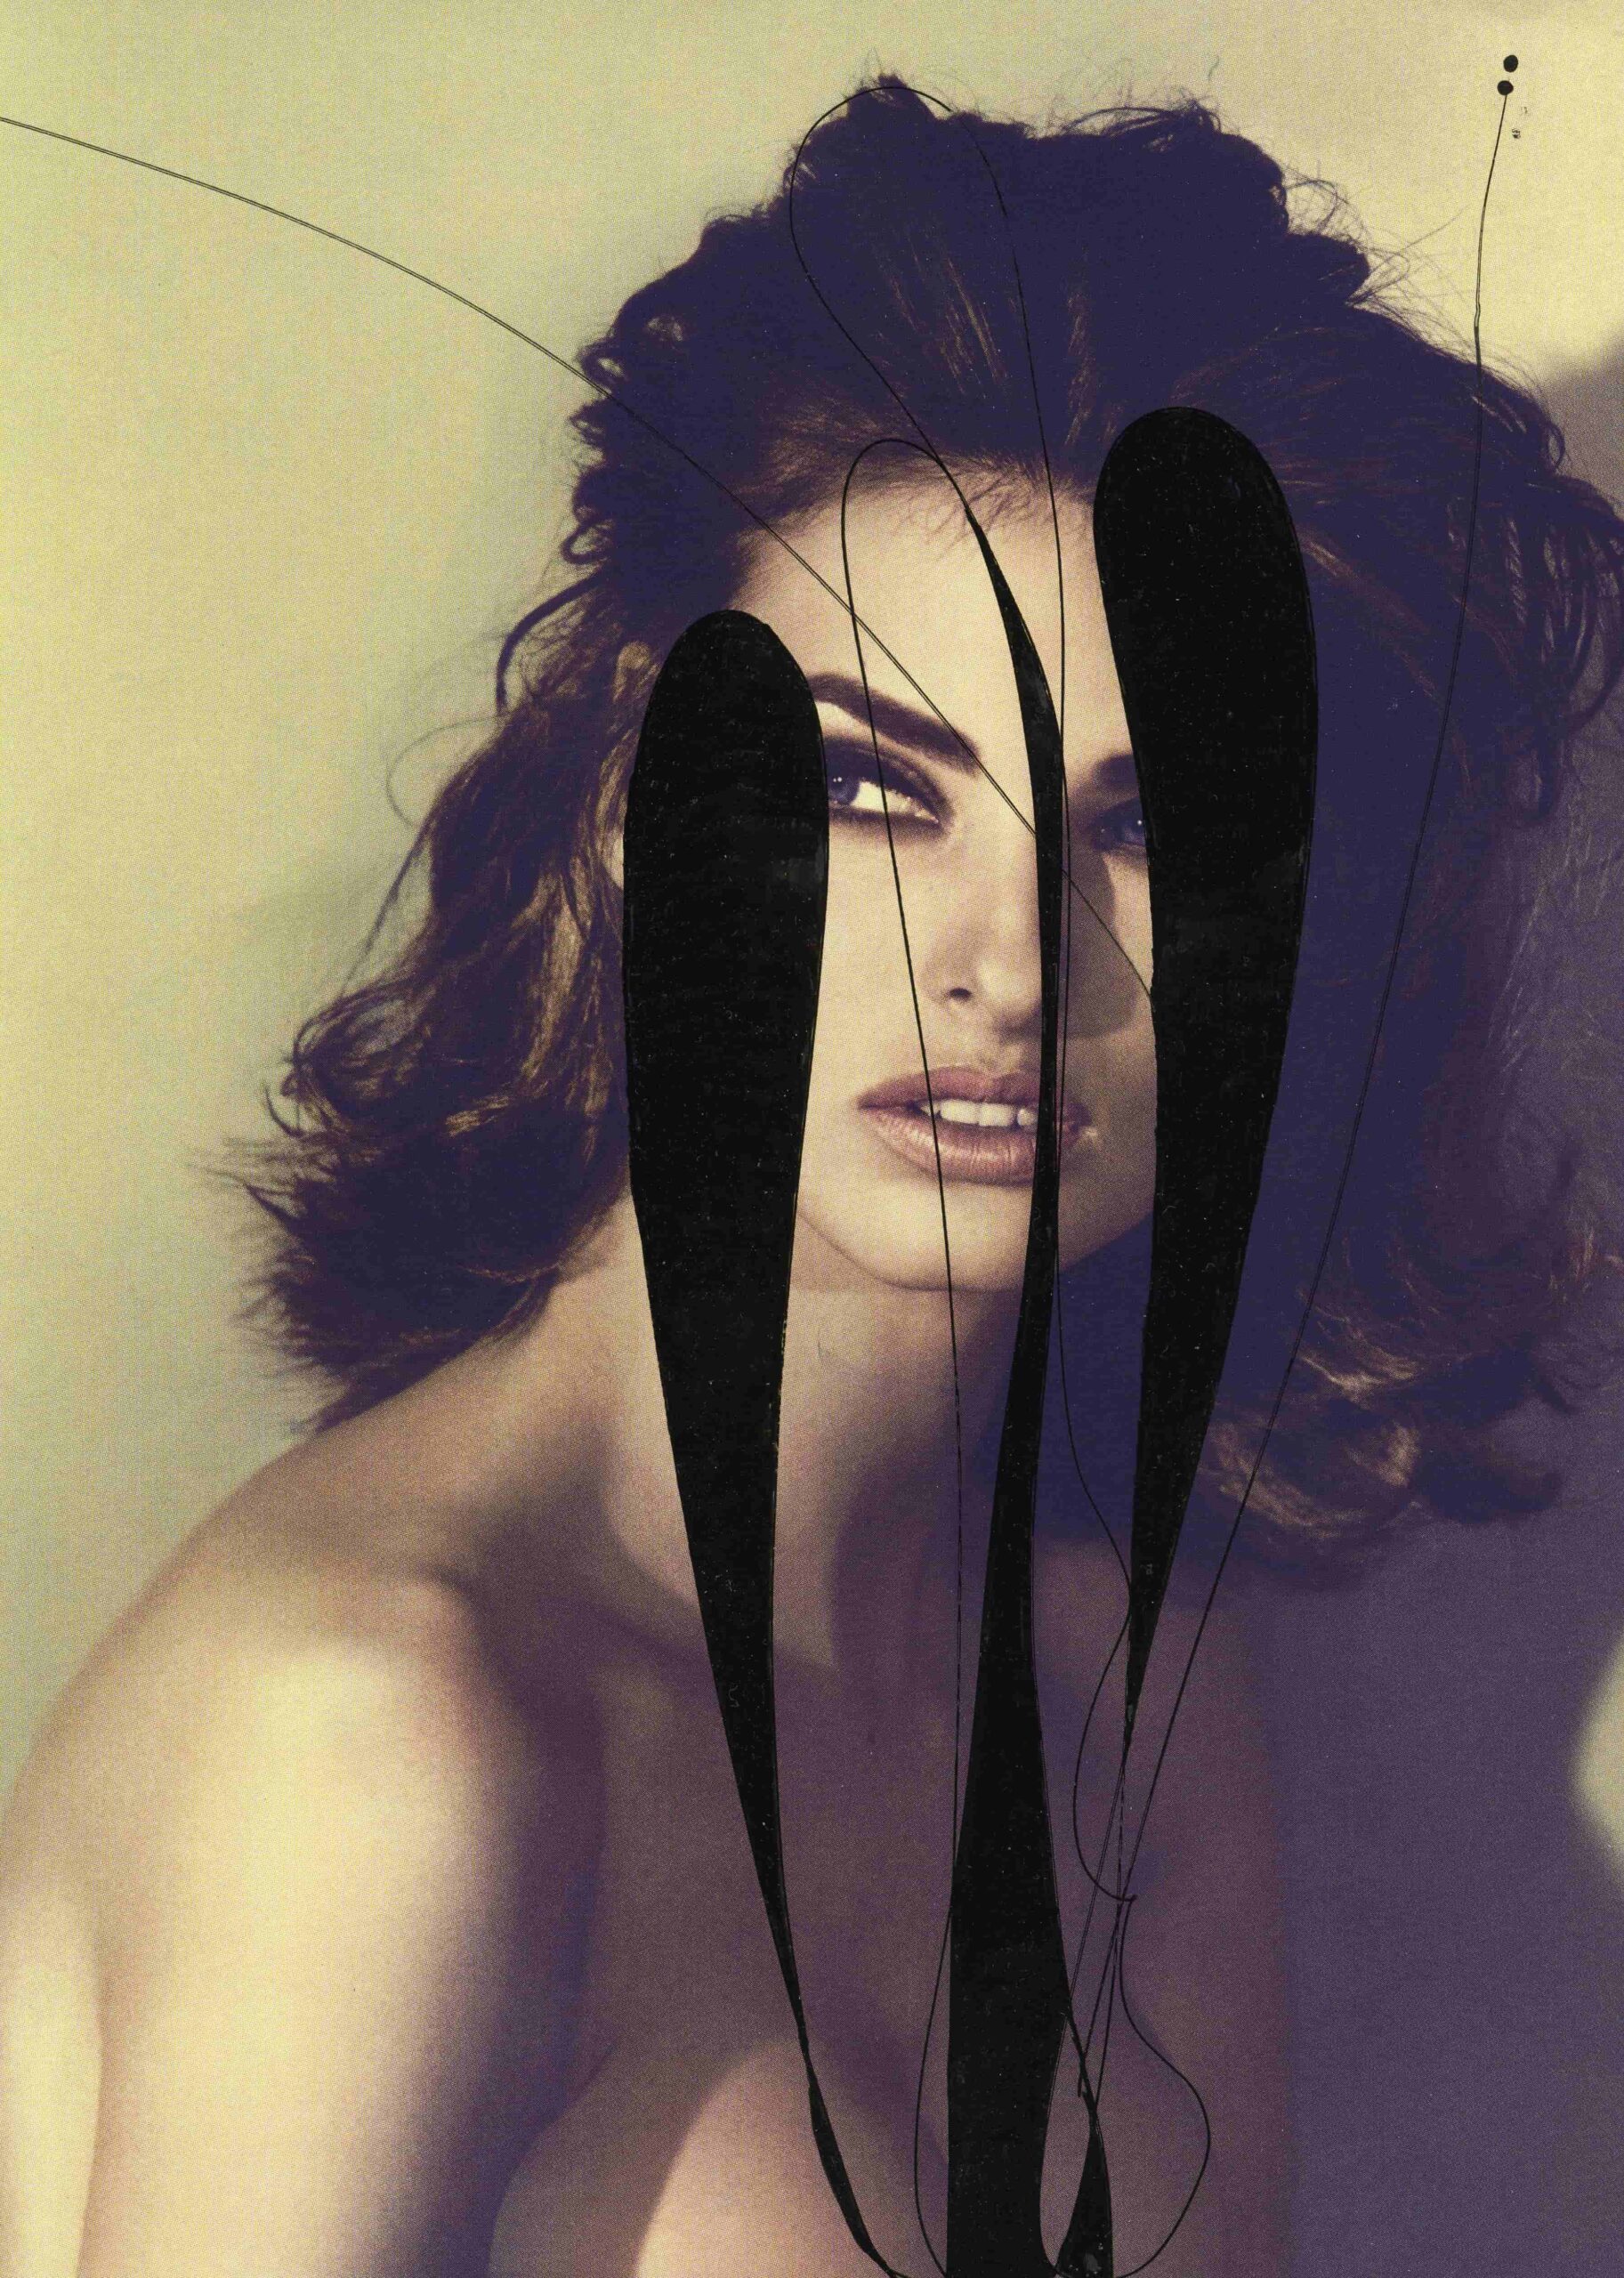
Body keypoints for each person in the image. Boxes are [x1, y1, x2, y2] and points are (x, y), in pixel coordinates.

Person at [2, 78, 1621, 2278]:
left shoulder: (1122, 1683)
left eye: (1156, 827)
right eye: (875, 786)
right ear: (632, 796)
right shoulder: (385, 1730)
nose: (1011, 959)